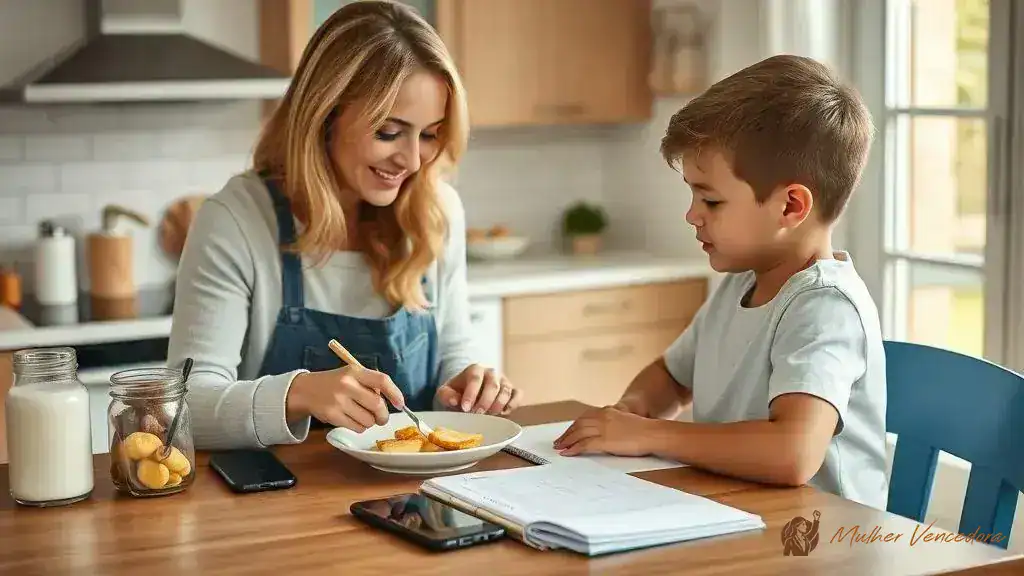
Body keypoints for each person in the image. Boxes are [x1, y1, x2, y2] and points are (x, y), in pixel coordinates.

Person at [166, 1, 522, 450]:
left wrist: (469, 381)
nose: (412, 160)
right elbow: (185, 410)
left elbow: (454, 351)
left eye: (429, 134)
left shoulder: (437, 211)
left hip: (413, 501)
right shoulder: (236, 221)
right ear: (326, 115)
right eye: (389, 132)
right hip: (276, 504)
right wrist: (296, 394)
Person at [553, 54, 889, 510]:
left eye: (711, 200)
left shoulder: (824, 307)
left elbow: (792, 452)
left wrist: (651, 434)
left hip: (818, 543)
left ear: (790, 207)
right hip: (736, 515)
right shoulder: (742, 283)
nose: (692, 215)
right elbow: (671, 376)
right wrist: (633, 411)